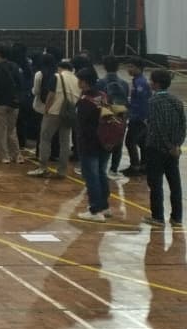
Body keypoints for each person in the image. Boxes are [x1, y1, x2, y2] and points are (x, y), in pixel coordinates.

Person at [144, 68, 185, 229]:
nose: (150, 83)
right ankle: (177, 217)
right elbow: (183, 125)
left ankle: (158, 217)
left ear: (156, 84)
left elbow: (158, 127)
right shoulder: (176, 101)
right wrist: (176, 145)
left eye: (151, 80)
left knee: (155, 184)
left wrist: (167, 146)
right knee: (175, 183)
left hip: (156, 148)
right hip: (174, 149)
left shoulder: (153, 102)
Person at [74, 67, 113, 221]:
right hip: (105, 141)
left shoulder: (85, 101)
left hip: (89, 143)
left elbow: (81, 125)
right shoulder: (103, 96)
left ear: (84, 82)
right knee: (101, 173)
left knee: (91, 177)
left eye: (79, 80)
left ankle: (95, 210)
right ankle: (105, 206)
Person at [28, 56, 76, 178]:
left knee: (45, 139)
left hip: (53, 113)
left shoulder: (57, 77)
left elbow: (51, 95)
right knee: (65, 142)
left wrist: (46, 109)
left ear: (60, 68)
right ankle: (62, 171)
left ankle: (42, 168)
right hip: (68, 115)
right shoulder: (76, 80)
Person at [0, 44, 24, 164]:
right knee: (12, 130)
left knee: (0, 131)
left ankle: (4, 156)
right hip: (14, 103)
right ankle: (17, 155)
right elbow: (21, 84)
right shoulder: (16, 67)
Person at [122, 58, 151, 177]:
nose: (129, 69)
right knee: (142, 142)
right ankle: (144, 165)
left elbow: (142, 102)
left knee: (130, 142)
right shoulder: (137, 81)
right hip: (140, 117)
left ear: (139, 68)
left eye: (131, 66)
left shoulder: (140, 83)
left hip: (138, 118)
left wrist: (136, 116)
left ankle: (135, 166)